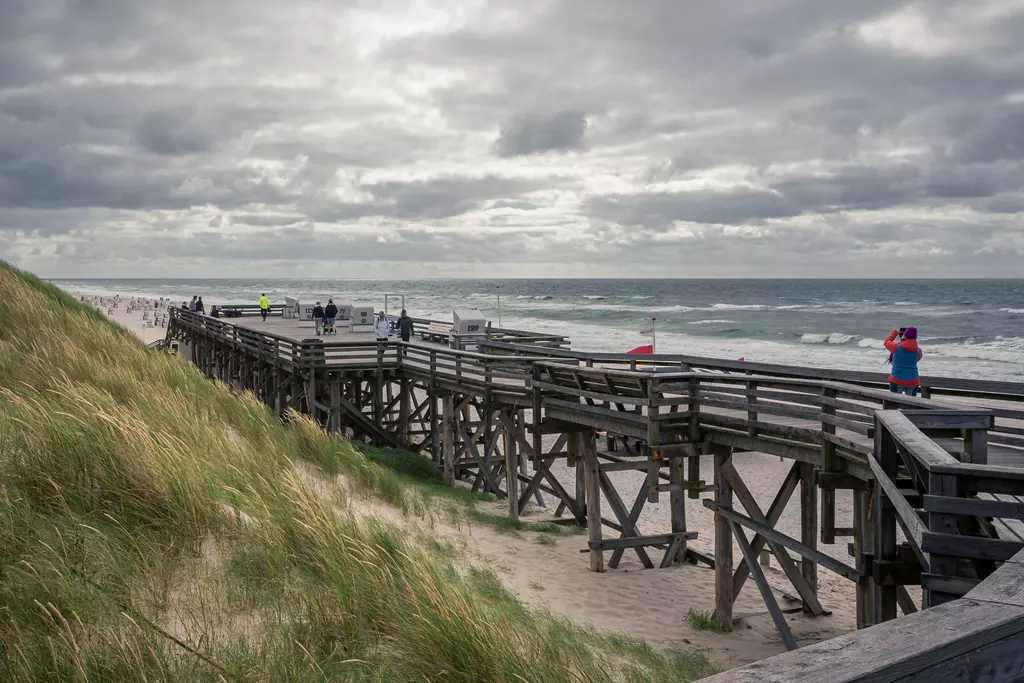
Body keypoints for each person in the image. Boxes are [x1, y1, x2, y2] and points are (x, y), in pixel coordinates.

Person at [885, 326, 923, 396]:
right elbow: (918, 359)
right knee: (911, 404)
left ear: (905, 335)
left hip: (897, 379)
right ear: (915, 337)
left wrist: (896, 332)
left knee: (894, 403)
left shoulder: (896, 347)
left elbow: (886, 342)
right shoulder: (918, 351)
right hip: (913, 380)